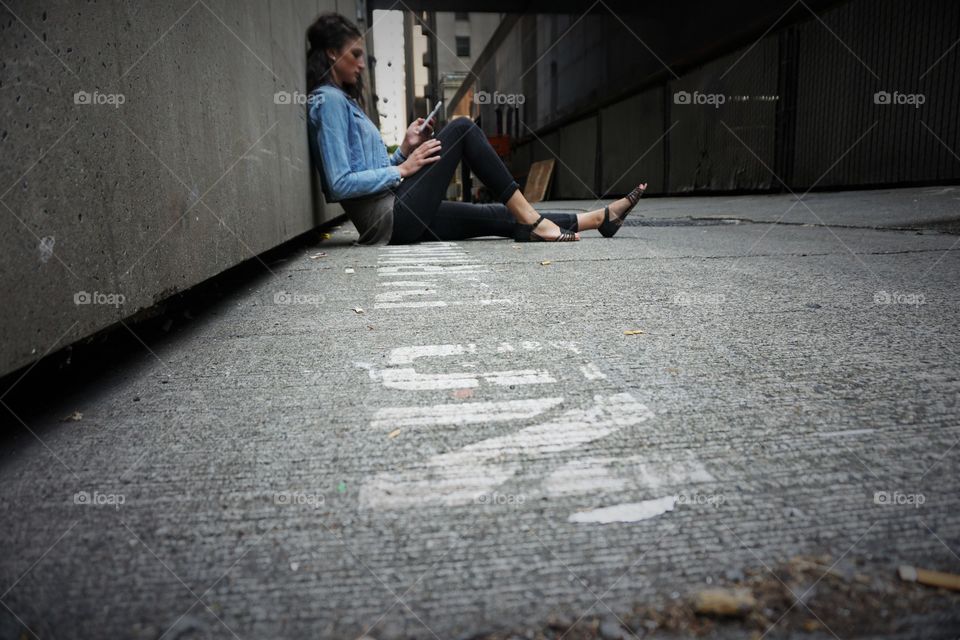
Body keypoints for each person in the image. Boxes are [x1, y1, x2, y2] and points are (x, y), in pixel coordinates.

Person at [305, 12, 646, 246]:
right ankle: (534, 222)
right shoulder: (328, 101)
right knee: (464, 128)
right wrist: (402, 168)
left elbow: (370, 171)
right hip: (391, 217)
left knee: (495, 215)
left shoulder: (343, 102)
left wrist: (405, 150)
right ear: (333, 53)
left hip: (397, 213)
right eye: (356, 54)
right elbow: (339, 183)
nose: (362, 63)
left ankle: (601, 218)